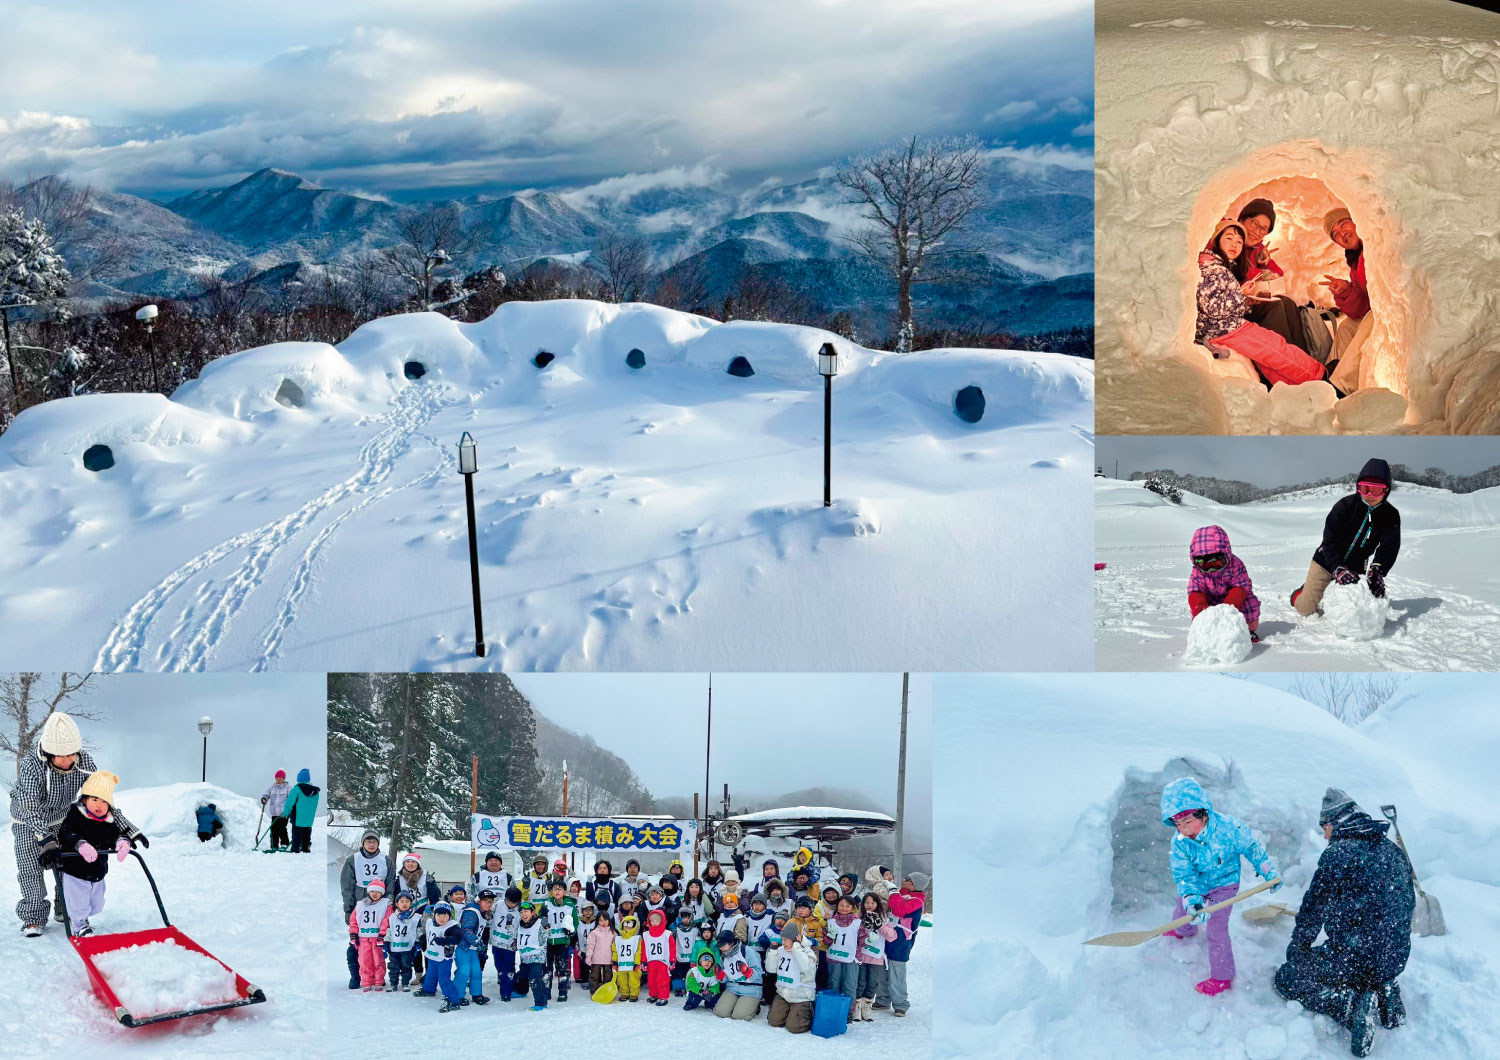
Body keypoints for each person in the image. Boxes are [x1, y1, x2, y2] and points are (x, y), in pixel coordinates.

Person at [1273, 789, 1415, 1058]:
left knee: (1286, 978)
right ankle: (1384, 986)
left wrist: (1298, 948)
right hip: (1395, 956)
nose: (1324, 835)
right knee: (1371, 951)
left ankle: (1348, 1005)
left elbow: (1313, 908)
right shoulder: (1392, 851)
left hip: (1355, 956)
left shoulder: (1339, 854)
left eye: (1324, 827)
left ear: (1335, 822)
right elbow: (1406, 906)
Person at [12, 712, 145, 938]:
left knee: (69, 865)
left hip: (64, 818)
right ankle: (33, 917)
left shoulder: (84, 762)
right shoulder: (31, 765)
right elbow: (29, 807)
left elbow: (100, 800)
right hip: (28, 820)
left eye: (72, 754)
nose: (67, 761)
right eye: (61, 756)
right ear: (48, 751)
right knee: (31, 868)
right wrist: (45, 840)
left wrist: (128, 829)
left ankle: (66, 908)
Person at [1160, 777, 1281, 996]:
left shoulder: (1229, 829)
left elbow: (1252, 848)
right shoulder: (1180, 842)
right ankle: (1183, 929)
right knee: (1183, 908)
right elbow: (1184, 875)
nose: (1184, 829)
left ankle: (1222, 976)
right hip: (1197, 882)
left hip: (1225, 885)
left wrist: (1268, 871)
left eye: (1188, 822)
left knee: (1216, 928)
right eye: (1178, 824)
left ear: (1203, 813)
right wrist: (1192, 900)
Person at [1196, 217, 1327, 388]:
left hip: (1224, 326)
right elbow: (1213, 308)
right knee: (1277, 349)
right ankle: (1321, 378)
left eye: (1238, 241)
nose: (1234, 244)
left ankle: (1294, 390)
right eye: (1228, 238)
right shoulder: (1212, 269)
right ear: (1216, 240)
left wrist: (1245, 299)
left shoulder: (1219, 265)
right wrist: (1241, 295)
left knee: (1268, 357)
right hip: (1224, 329)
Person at [1292, 459, 1400, 617]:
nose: (1369, 495)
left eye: (1376, 490)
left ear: (1386, 491)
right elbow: (1329, 542)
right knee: (1305, 609)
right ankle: (1301, 592)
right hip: (1326, 561)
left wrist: (1377, 570)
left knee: (1354, 606)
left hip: (1355, 567)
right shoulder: (1345, 506)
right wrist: (1337, 567)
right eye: (1365, 489)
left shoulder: (1390, 515)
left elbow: (1388, 547)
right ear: (1358, 487)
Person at [1229, 198, 1311, 354]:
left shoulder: (1256, 248)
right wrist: (1261, 272)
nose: (1257, 231)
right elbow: (1238, 274)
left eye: (1263, 229)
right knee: (1275, 306)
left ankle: (1302, 357)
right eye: (1254, 223)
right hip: (1235, 304)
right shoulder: (1231, 240)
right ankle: (1285, 361)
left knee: (1287, 303)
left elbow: (1278, 275)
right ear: (1242, 219)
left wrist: (1263, 263)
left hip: (1249, 301)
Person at [55, 770, 130, 938]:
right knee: (78, 903)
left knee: (97, 903)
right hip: (75, 870)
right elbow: (65, 833)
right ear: (84, 799)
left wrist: (122, 842)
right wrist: (80, 844)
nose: (99, 805)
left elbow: (115, 835)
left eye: (104, 801)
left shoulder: (108, 822)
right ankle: (79, 925)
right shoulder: (76, 816)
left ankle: (83, 917)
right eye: (94, 799)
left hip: (97, 871)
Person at [1321, 208, 1371, 394]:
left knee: (1370, 319)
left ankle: (1341, 385)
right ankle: (1329, 372)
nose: (1342, 233)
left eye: (1343, 224)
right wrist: (1346, 291)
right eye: (1336, 234)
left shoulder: (1374, 246)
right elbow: (1361, 306)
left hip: (1386, 312)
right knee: (1346, 327)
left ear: (1356, 220)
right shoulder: (1355, 262)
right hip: (1372, 311)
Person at [340, 829, 396, 989]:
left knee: (378, 948)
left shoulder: (386, 860)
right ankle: (357, 976)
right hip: (360, 909)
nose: (371, 844)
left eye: (374, 841)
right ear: (363, 843)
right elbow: (346, 885)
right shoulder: (353, 860)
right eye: (368, 841)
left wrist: (389, 904)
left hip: (380, 910)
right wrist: (348, 908)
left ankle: (379, 977)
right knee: (355, 946)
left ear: (378, 843)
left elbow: (391, 883)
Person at [1187, 525, 1261, 642]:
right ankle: (1206, 635)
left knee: (1251, 605)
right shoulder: (1197, 572)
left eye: (1217, 563)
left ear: (1226, 554)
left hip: (1233, 600)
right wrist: (1201, 610)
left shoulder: (1235, 565)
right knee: (1201, 617)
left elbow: (1241, 587)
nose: (1212, 569)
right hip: (1210, 601)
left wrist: (1227, 609)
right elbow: (1195, 590)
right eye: (1205, 565)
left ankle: (1245, 630)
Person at [879, 871, 928, 1016]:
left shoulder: (917, 901)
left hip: (901, 941)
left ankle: (901, 1003)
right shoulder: (901, 894)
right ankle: (882, 999)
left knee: (896, 972)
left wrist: (893, 891)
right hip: (886, 936)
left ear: (914, 884)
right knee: (881, 969)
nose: (904, 880)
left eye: (907, 879)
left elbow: (899, 909)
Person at [768, 918, 818, 1033]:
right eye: (782, 939)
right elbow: (770, 969)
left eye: (786, 940)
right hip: (783, 993)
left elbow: (805, 967)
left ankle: (807, 1012)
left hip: (801, 995)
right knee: (774, 1021)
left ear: (795, 940)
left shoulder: (807, 951)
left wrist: (796, 948)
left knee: (795, 1027)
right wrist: (773, 951)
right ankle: (789, 1011)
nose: (783, 942)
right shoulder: (781, 950)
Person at [853, 891, 898, 1020]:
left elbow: (892, 936)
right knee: (860, 982)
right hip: (861, 956)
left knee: (872, 983)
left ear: (877, 904)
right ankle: (857, 1007)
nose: (870, 905)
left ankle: (867, 1007)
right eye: (867, 902)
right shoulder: (857, 918)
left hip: (876, 957)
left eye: (873, 902)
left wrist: (880, 925)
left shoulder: (884, 919)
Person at [417, 901, 464, 1012]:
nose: (442, 918)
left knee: (444, 979)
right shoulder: (430, 923)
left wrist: (444, 941)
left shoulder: (451, 926)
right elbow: (428, 935)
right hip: (432, 955)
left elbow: (457, 938)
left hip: (444, 958)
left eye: (445, 915)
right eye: (439, 914)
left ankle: (453, 1000)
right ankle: (429, 989)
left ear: (449, 915)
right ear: (434, 915)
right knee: (430, 974)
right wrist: (422, 940)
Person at [825, 894, 862, 1018]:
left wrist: (868, 940)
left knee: (850, 985)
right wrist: (829, 936)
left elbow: (862, 939)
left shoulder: (858, 922)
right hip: (834, 958)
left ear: (853, 907)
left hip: (851, 959)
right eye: (841, 905)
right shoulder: (830, 921)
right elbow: (825, 942)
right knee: (834, 984)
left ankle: (848, 1013)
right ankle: (834, 1009)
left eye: (847, 906)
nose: (844, 908)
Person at [349, 880, 390, 992]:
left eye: (378, 891)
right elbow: (353, 920)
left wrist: (382, 934)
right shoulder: (360, 904)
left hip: (377, 938)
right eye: (372, 891)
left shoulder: (386, 904)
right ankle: (366, 981)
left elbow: (386, 920)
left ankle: (378, 981)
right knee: (364, 960)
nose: (375, 893)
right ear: (368, 892)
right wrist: (353, 933)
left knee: (378, 960)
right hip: (363, 938)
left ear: (382, 892)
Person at [713, 929, 764, 1020]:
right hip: (732, 988)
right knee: (720, 1012)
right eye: (720, 946)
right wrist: (720, 974)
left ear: (731, 943)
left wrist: (747, 971)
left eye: (723, 945)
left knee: (739, 1016)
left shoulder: (747, 951)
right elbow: (727, 978)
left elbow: (759, 973)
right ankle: (739, 1005)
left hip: (750, 989)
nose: (721, 948)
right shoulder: (724, 956)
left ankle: (754, 1006)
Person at [541, 878, 576, 1002]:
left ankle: (562, 991)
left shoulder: (569, 905)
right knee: (547, 968)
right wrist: (543, 917)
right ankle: (546, 991)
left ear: (564, 892)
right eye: (555, 889)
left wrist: (571, 931)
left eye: (560, 889)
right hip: (549, 941)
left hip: (562, 941)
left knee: (562, 967)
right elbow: (541, 920)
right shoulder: (547, 903)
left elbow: (575, 922)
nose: (557, 891)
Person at [454, 885, 489, 1005]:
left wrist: (479, 944)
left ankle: (476, 994)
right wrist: (476, 941)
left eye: (491, 902)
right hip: (463, 947)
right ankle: (456, 995)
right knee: (463, 972)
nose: (489, 904)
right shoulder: (472, 911)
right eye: (486, 901)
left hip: (472, 949)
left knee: (476, 971)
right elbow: (466, 929)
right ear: (479, 901)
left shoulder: (480, 911)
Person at [513, 902, 551, 1010]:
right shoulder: (521, 924)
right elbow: (515, 935)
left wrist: (546, 927)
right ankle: (522, 991)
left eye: (526, 912)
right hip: (525, 958)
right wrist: (509, 924)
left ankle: (541, 1003)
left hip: (537, 958)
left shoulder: (539, 923)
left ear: (533, 912)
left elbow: (545, 937)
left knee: (534, 978)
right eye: (521, 912)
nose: (523, 914)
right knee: (522, 976)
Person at [383, 890, 422, 992]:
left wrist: (418, 942)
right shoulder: (392, 917)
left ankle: (405, 983)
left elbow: (418, 931)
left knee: (406, 966)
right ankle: (393, 983)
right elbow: (389, 931)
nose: (404, 904)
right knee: (393, 967)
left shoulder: (415, 917)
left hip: (407, 947)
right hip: (394, 948)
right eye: (401, 901)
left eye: (407, 901)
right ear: (397, 904)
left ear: (411, 903)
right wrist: (386, 943)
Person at [490, 886, 523, 1001]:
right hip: (497, 941)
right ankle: (502, 978)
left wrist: (518, 941)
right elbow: (489, 913)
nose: (512, 905)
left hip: (510, 944)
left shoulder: (521, 909)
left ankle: (506, 992)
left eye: (515, 903)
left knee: (508, 968)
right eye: (509, 902)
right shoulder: (498, 904)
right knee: (499, 965)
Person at [643, 908, 677, 1006]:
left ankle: (663, 996)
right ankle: (654, 995)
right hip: (651, 961)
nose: (654, 923)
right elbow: (644, 949)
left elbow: (672, 948)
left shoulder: (667, 934)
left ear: (661, 921)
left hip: (663, 961)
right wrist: (644, 961)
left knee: (662, 980)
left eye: (657, 921)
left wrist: (672, 960)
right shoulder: (646, 935)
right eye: (652, 921)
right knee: (651, 980)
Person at [282, 768, 319, 853]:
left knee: (297, 833)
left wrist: (285, 813)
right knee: (307, 833)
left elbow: (289, 802)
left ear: (299, 779)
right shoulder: (315, 791)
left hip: (297, 817)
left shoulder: (296, 789)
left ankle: (295, 849)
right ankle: (306, 848)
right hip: (309, 818)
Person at [585, 899, 617, 996]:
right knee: (594, 977)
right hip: (596, 959)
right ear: (597, 921)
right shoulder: (594, 933)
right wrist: (588, 957)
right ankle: (594, 992)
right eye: (601, 920)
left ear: (609, 921)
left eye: (605, 920)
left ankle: (606, 992)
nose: (603, 922)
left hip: (608, 959)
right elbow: (590, 946)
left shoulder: (613, 933)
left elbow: (616, 946)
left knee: (608, 977)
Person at [612, 911, 644, 1002]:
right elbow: (615, 950)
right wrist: (615, 961)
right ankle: (624, 993)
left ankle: (634, 994)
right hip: (622, 964)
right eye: (625, 926)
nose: (627, 928)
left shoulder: (636, 939)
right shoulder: (618, 939)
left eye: (630, 927)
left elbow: (638, 951)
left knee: (634, 980)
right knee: (622, 980)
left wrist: (637, 962)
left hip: (632, 964)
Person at [260, 770, 291, 851]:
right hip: (274, 813)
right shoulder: (272, 787)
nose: (278, 780)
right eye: (277, 779)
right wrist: (264, 799)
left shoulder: (288, 787)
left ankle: (284, 844)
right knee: (273, 830)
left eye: (280, 779)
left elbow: (291, 799)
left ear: (283, 779)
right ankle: (274, 845)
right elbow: (266, 794)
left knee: (282, 828)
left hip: (284, 813)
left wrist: (289, 811)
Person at [672, 906, 697, 995]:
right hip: (679, 954)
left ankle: (689, 987)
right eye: (683, 918)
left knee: (689, 973)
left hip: (690, 956)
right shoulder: (677, 929)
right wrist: (676, 923)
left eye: (687, 917)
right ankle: (678, 988)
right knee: (677, 972)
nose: (685, 920)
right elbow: (671, 929)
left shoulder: (694, 929)